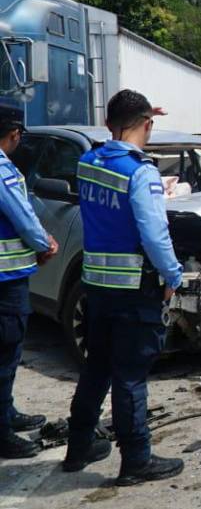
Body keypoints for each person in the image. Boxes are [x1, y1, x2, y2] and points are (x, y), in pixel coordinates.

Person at [65, 90, 184, 485]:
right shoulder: (141, 172)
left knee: (96, 369)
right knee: (130, 376)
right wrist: (172, 275)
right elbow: (153, 232)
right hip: (134, 287)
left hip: (96, 284)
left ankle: (78, 447)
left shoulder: (87, 162)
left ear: (106, 121)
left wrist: (142, 116)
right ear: (148, 125)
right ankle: (136, 460)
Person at [0, 119, 57, 459]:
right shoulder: (3, 171)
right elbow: (21, 215)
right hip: (6, 282)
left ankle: (6, 413)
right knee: (6, 355)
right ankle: (2, 432)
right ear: (14, 134)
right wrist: (44, 243)